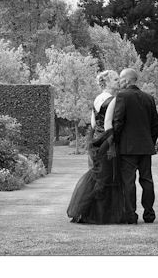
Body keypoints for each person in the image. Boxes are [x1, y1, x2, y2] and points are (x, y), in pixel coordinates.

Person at [66, 70, 127, 224]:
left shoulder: (97, 99)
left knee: (98, 175)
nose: (118, 81)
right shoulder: (114, 99)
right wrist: (112, 143)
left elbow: (93, 124)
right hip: (107, 141)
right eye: (115, 79)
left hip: (95, 141)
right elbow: (107, 125)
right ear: (106, 82)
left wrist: (96, 140)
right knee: (108, 176)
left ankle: (89, 212)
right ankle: (102, 215)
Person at [107, 68, 158, 224]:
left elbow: (118, 122)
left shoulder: (122, 96)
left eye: (121, 79)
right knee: (147, 180)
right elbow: (156, 124)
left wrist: (116, 142)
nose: (120, 82)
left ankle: (131, 215)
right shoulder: (149, 98)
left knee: (128, 182)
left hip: (127, 148)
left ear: (127, 80)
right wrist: (150, 141)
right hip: (145, 147)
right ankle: (149, 214)